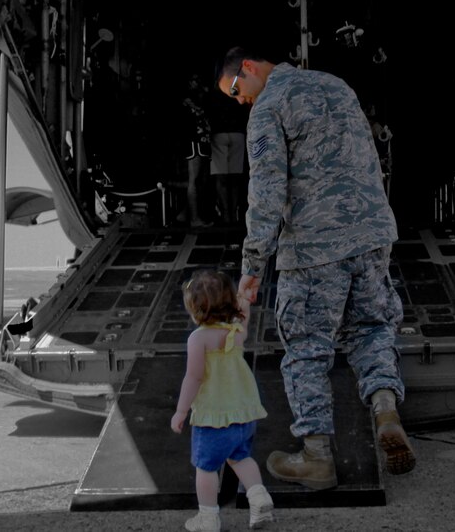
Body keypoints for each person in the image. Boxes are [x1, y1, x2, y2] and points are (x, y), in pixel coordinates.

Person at [215, 46, 416, 490]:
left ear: (247, 67)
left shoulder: (268, 108)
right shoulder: (335, 86)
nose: (239, 100)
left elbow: (267, 191)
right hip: (372, 235)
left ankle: (316, 457)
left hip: (314, 247)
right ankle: (385, 410)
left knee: (306, 348)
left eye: (235, 90)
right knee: (371, 328)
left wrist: (252, 265)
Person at [171, 270, 274, 531]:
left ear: (196, 310)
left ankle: (208, 518)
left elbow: (193, 378)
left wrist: (181, 411)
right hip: (244, 413)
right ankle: (258, 497)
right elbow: (245, 315)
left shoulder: (198, 339)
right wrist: (244, 299)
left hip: (214, 417)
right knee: (241, 458)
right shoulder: (236, 331)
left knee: (205, 468)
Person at [206, 91, 250, 224]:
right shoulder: (238, 91)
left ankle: (225, 213)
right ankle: (234, 212)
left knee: (221, 177)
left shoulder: (214, 95)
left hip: (218, 133)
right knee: (235, 177)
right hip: (237, 132)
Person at [177, 74, 213, 227]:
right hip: (194, 142)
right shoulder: (187, 101)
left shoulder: (199, 98)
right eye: (194, 80)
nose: (197, 83)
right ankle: (194, 219)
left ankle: (185, 214)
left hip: (202, 141)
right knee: (194, 179)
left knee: (201, 179)